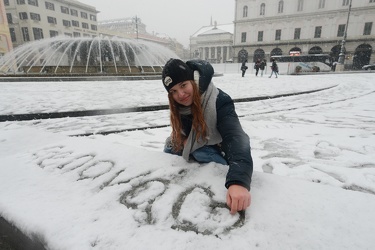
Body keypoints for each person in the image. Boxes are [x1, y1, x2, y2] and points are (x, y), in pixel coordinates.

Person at [162, 58, 253, 215]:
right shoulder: (181, 106)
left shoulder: (218, 100)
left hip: (220, 151)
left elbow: (236, 138)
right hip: (199, 147)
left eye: (183, 85)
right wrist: (183, 139)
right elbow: (183, 132)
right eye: (173, 91)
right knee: (170, 145)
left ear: (193, 81)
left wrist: (238, 182)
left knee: (201, 152)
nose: (180, 95)